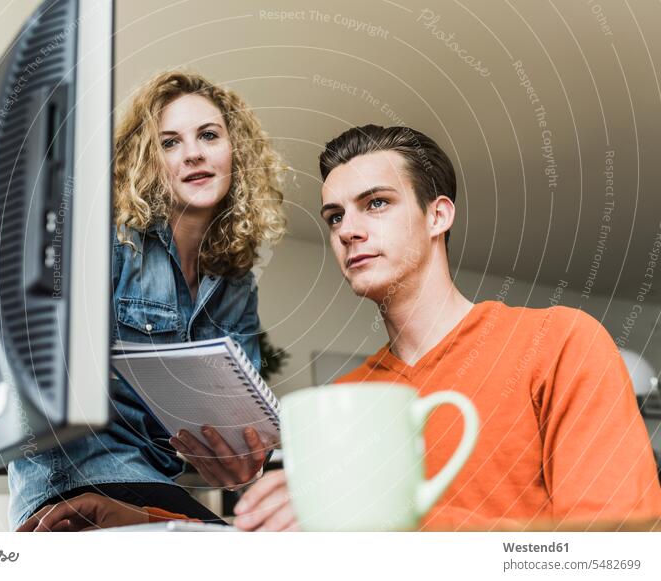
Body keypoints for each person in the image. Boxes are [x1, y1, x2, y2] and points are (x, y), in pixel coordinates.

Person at [231, 124, 661, 532]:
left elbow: (617, 549)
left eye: (376, 203)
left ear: (437, 216)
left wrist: (394, 525)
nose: (348, 231)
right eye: (334, 217)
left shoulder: (561, 343)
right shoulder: (344, 399)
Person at [11, 70, 287, 531]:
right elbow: (31, 364)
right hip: (74, 484)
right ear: (147, 161)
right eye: (170, 142)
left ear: (234, 152)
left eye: (208, 135)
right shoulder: (107, 242)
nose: (193, 152)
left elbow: (243, 433)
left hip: (153, 485)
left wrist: (244, 459)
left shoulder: (236, 283)